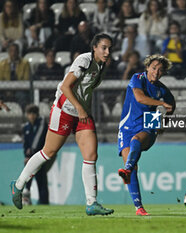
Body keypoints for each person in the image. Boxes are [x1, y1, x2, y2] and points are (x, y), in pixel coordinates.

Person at [10, 33, 114, 216]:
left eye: (109, 48)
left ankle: (92, 203)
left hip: (82, 113)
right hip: (65, 110)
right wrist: (79, 109)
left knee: (91, 155)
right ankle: (18, 185)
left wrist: (84, 110)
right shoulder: (84, 60)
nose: (107, 51)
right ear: (94, 47)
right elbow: (66, 87)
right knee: (48, 152)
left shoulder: (103, 65)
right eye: (104, 47)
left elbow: (86, 90)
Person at [117, 54, 175, 216]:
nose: (156, 72)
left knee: (136, 143)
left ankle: (126, 169)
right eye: (154, 68)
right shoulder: (137, 78)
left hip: (150, 122)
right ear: (147, 67)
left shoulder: (162, 89)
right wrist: (161, 103)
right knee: (133, 167)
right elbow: (139, 98)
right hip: (127, 127)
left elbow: (172, 104)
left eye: (160, 70)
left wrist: (165, 122)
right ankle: (139, 208)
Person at [22, 104, 49, 206]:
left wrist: (31, 154)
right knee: (28, 176)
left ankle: (44, 202)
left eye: (34, 113)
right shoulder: (26, 127)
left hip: (40, 156)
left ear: (37, 114)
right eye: (29, 113)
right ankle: (26, 197)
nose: (32, 116)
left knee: (41, 180)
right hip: (29, 157)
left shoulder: (42, 123)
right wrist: (26, 155)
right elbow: (25, 143)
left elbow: (38, 139)